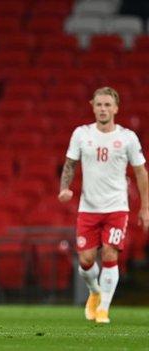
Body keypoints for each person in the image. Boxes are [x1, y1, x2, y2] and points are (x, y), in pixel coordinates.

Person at [58, 87, 149, 324]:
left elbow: (141, 172)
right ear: (92, 106)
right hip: (88, 208)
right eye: (99, 104)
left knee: (110, 253)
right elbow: (70, 163)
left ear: (116, 108)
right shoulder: (81, 134)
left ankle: (104, 309)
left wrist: (145, 207)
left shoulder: (127, 137)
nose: (103, 109)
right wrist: (64, 188)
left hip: (117, 207)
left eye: (108, 105)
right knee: (86, 261)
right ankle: (95, 292)